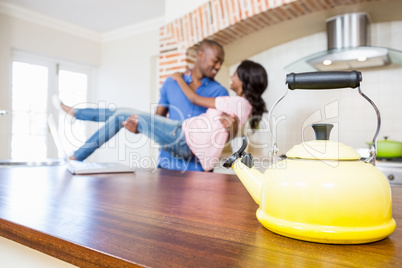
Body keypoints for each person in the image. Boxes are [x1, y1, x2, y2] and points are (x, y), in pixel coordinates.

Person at [58, 39, 231, 171]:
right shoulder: (171, 83)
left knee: (122, 113)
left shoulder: (220, 92)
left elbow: (222, 135)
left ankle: (76, 145)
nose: (218, 66)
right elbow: (158, 120)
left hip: (196, 167)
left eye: (221, 63)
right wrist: (139, 127)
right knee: (122, 114)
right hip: (167, 164)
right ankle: (77, 115)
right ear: (200, 54)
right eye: (215, 60)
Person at [122, 60, 268, 171]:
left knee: (128, 115)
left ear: (244, 79)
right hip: (188, 155)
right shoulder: (241, 105)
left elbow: (195, 99)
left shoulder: (235, 101)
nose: (231, 76)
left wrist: (179, 78)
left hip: (189, 146)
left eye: (235, 74)